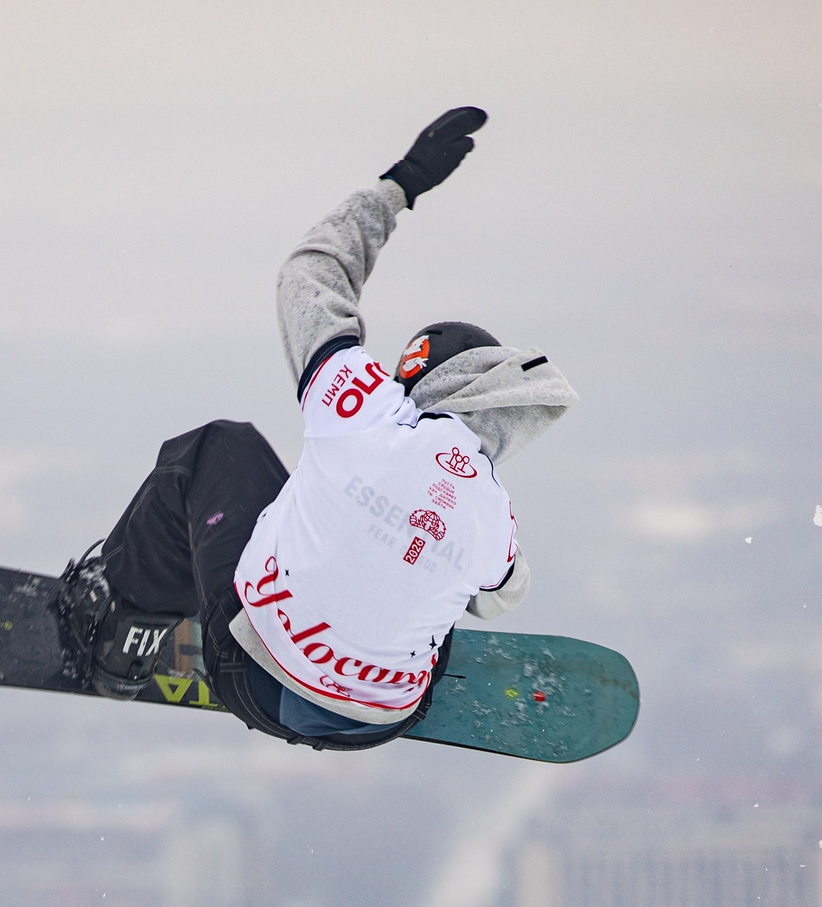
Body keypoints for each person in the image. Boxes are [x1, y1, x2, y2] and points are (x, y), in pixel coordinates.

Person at [61, 107, 578, 750]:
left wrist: (400, 186)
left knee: (217, 451)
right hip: (383, 723)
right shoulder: (491, 511)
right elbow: (502, 594)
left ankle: (123, 627)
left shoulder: (367, 410)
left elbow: (309, 276)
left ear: (416, 373)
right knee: (375, 556)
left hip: (254, 678)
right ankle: (369, 673)